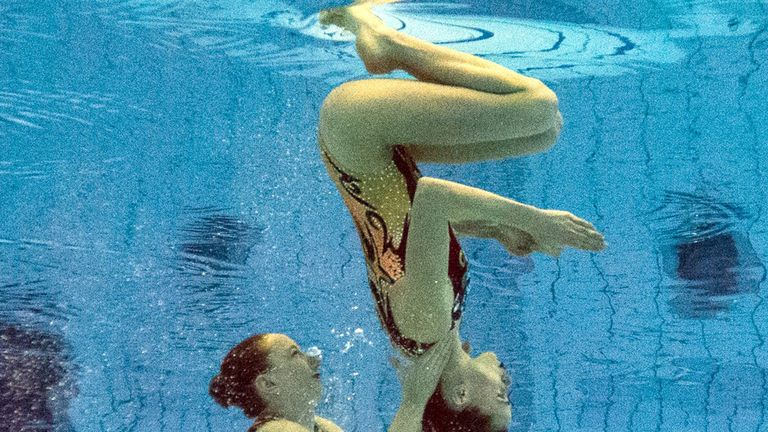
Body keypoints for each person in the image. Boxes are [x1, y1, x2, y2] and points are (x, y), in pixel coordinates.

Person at [317, 1, 606, 430]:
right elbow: (413, 224)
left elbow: (432, 198)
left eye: (504, 396)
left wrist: (534, 218)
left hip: (359, 128)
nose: (509, 381)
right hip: (377, 151)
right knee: (545, 132)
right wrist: (497, 229)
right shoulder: (430, 335)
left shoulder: (427, 324)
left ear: (460, 395)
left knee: (538, 106)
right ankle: (385, 47)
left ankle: (386, 44)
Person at [209, 332, 447, 432]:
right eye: (295, 354)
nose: (314, 358)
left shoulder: (318, 426)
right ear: (268, 384)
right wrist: (414, 399)